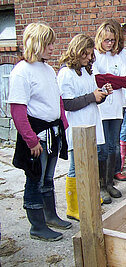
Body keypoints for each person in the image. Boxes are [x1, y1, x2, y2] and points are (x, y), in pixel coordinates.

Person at [8, 22, 71, 241]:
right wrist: (31, 140)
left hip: (52, 133)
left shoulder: (48, 69)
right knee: (35, 178)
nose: (53, 47)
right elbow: (17, 110)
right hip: (37, 135)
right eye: (48, 43)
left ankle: (50, 216)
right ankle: (37, 226)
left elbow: (57, 99)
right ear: (36, 43)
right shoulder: (21, 72)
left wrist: (63, 125)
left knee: (48, 178)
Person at [58, 34, 109, 219]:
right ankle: (73, 207)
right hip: (77, 125)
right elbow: (67, 103)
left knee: (91, 163)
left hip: (92, 122)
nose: (88, 58)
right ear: (76, 51)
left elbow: (92, 99)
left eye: (90, 55)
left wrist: (103, 95)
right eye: (85, 54)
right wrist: (91, 97)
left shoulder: (87, 71)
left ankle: (89, 198)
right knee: (75, 166)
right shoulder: (65, 73)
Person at [93, 19, 126, 202]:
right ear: (100, 39)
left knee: (113, 146)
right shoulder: (94, 56)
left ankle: (110, 183)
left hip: (117, 107)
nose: (109, 43)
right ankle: (101, 185)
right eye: (106, 40)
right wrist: (111, 80)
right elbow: (97, 80)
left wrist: (109, 80)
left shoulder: (117, 57)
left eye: (112, 40)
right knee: (102, 148)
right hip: (102, 109)